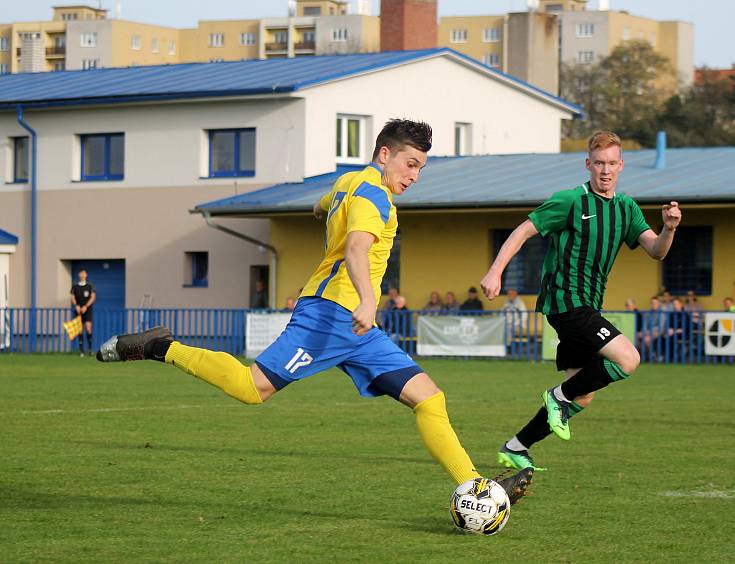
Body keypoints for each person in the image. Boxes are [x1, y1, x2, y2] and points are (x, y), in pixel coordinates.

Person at [96, 119, 532, 502]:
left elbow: (324, 202)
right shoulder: (375, 198)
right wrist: (366, 298)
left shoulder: (350, 182)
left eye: (421, 167)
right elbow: (359, 248)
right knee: (253, 389)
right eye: (411, 163)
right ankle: (161, 347)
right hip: (333, 314)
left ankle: (473, 487)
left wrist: (321, 210)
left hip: (356, 327)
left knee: (430, 399)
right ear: (385, 154)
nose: (415, 176)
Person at [481, 130, 681, 471]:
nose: (605, 170)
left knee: (583, 394)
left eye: (612, 163)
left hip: (589, 306)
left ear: (621, 166)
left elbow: (656, 252)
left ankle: (517, 445)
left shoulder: (626, 209)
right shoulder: (571, 200)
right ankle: (556, 397)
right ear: (588, 164)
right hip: (566, 302)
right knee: (628, 359)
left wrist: (669, 229)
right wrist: (496, 270)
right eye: (599, 163)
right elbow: (523, 231)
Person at [70, 269, 96, 357]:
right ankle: (81, 351)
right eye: (81, 273)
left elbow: (93, 297)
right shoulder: (75, 287)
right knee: (80, 330)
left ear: (86, 275)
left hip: (87, 310)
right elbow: (73, 298)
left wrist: (86, 306)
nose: (82, 275)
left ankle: (90, 349)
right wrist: (76, 305)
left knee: (88, 328)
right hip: (78, 310)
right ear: (79, 275)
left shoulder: (90, 286)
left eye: (84, 273)